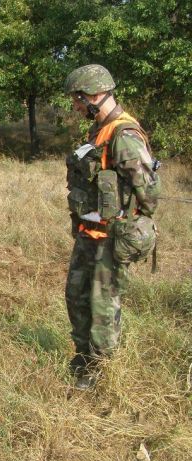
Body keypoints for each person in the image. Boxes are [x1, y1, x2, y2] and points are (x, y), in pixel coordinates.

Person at [63, 64, 160, 389]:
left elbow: (149, 194)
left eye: (77, 99)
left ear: (94, 95)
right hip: (89, 232)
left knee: (103, 305)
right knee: (76, 296)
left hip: (111, 237)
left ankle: (100, 371)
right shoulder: (98, 131)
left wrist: (125, 215)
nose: (75, 106)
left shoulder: (124, 135)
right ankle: (83, 358)